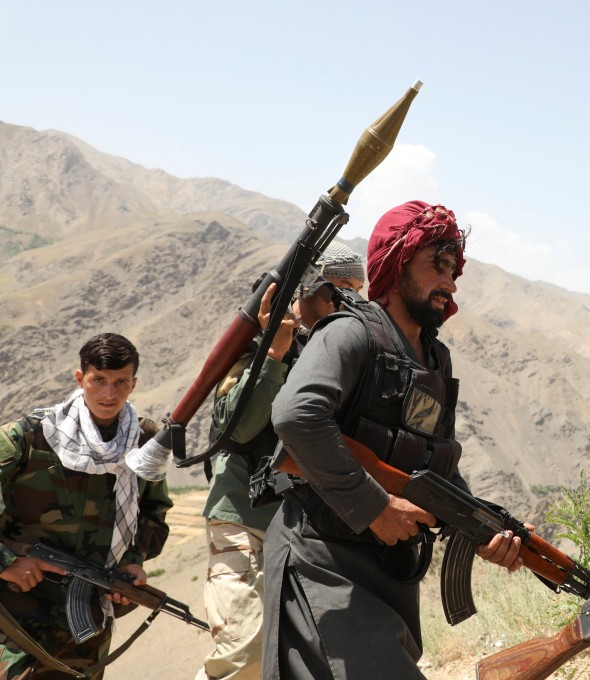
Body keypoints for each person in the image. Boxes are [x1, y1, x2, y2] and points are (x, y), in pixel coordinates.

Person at [261, 201, 524, 679]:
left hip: (391, 571)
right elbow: (296, 415)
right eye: (437, 266)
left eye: (454, 269)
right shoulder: (349, 334)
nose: (450, 283)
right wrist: (375, 507)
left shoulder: (434, 359)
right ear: (398, 263)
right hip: (324, 560)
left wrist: (480, 528)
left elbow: (432, 462)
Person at [195, 245, 366, 680]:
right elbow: (240, 428)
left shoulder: (342, 350)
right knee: (244, 655)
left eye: (357, 291)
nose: (350, 303)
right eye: (337, 291)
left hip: (307, 529)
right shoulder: (256, 343)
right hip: (245, 520)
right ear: (305, 291)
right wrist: (274, 355)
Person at [0, 333, 172, 679]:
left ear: (134, 383)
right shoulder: (29, 438)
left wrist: (132, 563)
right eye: (99, 381)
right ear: (80, 379)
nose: (110, 394)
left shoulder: (143, 440)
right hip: (18, 615)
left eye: (121, 382)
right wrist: (8, 562)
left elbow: (153, 510)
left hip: (89, 618)